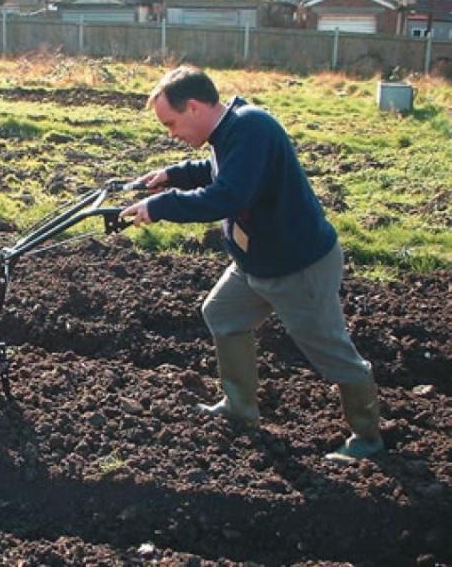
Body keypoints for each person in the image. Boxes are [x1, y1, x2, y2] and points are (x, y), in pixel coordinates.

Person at [120, 65, 384, 462]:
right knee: (222, 313)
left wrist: (161, 206)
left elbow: (226, 195)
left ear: (193, 107)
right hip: (257, 263)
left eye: (171, 124)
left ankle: (367, 438)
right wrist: (172, 175)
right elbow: (218, 171)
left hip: (297, 266)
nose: (171, 134)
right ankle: (239, 407)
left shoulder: (251, 128)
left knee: (331, 351)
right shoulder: (227, 134)